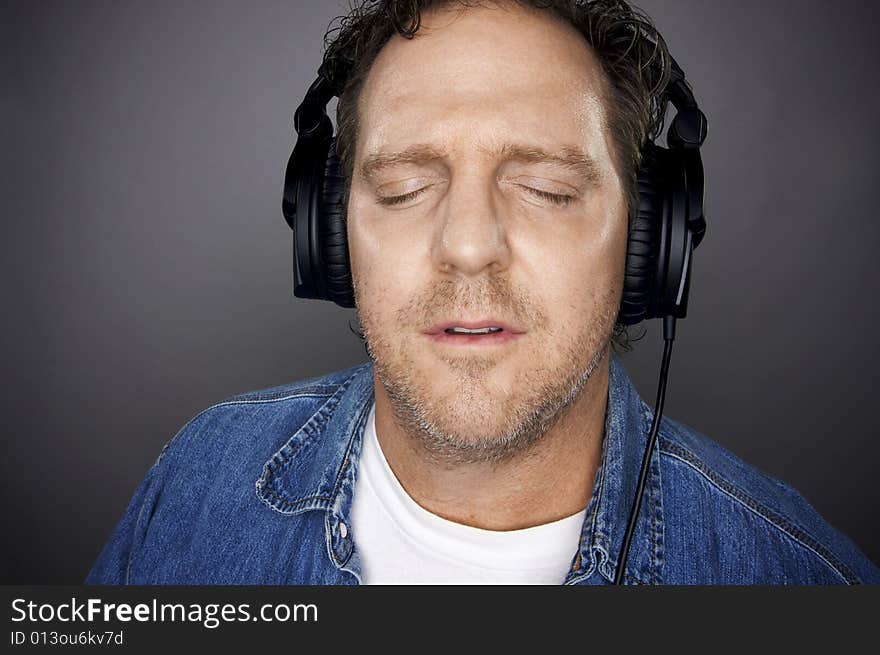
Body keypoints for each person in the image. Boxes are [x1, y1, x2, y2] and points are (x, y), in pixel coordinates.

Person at [86, 0, 879, 585]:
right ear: (330, 238)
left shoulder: (805, 583)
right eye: (401, 189)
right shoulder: (200, 476)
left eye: (545, 188)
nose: (468, 246)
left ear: (648, 242)